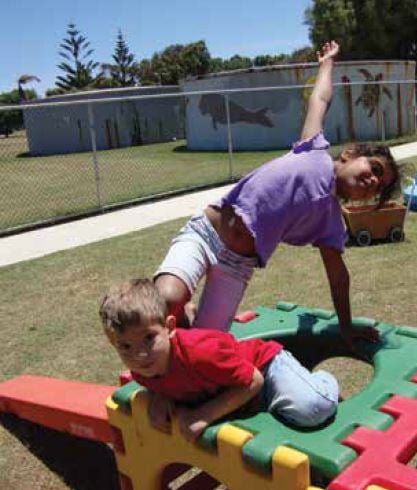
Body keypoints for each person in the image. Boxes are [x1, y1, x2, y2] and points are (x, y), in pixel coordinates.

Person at [153, 40, 400, 350]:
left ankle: (190, 317)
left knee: (206, 346)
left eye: (378, 184)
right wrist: (327, 64)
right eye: (374, 167)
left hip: (237, 265)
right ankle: (175, 306)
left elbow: (338, 277)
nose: (373, 180)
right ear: (350, 154)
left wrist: (346, 326)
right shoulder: (314, 148)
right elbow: (320, 99)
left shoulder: (331, 224)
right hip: (208, 233)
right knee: (166, 300)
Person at [100, 278, 340, 441]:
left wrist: (202, 415)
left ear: (170, 328)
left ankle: (320, 382)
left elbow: (252, 380)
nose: (139, 355)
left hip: (265, 369)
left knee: (314, 409)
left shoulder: (199, 352)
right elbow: (166, 381)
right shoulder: (143, 370)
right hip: (236, 392)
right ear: (113, 345)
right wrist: (159, 397)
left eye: (149, 338)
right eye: (125, 346)